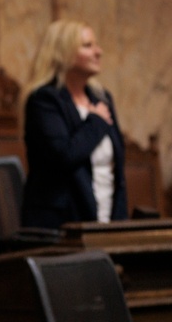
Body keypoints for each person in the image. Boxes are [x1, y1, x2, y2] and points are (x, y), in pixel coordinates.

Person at [20, 19, 128, 230]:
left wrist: (120, 223)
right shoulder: (44, 100)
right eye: (88, 46)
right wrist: (95, 122)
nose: (99, 51)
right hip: (62, 226)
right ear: (63, 53)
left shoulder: (102, 98)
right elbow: (64, 156)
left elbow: (118, 168)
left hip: (108, 220)